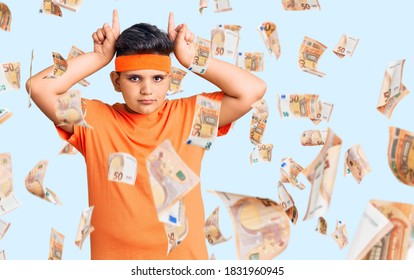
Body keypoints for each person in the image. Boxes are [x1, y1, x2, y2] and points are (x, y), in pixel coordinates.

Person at [26, 10, 266, 260]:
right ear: (116, 82)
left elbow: (252, 91)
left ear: (170, 80)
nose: (147, 89)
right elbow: (39, 87)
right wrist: (98, 57)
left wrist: (192, 58)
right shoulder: (93, 122)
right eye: (134, 78)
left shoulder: (192, 115)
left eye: (158, 78)